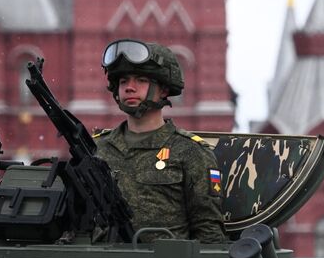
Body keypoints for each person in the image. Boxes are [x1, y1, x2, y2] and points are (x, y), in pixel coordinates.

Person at [93, 38, 225, 244]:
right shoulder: (97, 149)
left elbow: (208, 232)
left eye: (141, 80)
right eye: (123, 81)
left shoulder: (190, 152)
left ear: (163, 89)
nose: (129, 87)